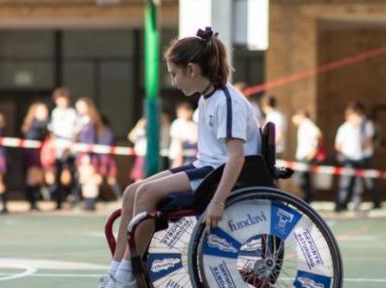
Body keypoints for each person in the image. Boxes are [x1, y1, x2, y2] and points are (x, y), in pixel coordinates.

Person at [99, 27, 262, 288]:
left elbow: (236, 157)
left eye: (174, 74)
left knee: (146, 194)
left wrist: (218, 203)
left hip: (218, 174)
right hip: (207, 167)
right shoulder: (208, 98)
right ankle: (118, 269)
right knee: (132, 191)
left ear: (192, 69)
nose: (174, 82)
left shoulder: (227, 101)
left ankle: (127, 275)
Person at [49, 87, 79, 209]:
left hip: (70, 146)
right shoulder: (55, 112)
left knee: (72, 174)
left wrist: (71, 144)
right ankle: (58, 201)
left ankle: (74, 199)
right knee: (58, 174)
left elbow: (76, 131)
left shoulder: (72, 113)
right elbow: (52, 130)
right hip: (58, 146)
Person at [21, 101, 50, 211]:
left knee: (37, 178)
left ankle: (34, 201)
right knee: (32, 178)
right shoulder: (36, 123)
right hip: (32, 153)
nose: (45, 113)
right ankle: (32, 202)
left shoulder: (40, 123)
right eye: (42, 111)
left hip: (38, 152)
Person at [291, 110, 322, 203]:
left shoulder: (306, 124)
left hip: (306, 155)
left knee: (301, 178)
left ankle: (307, 197)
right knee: (306, 178)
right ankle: (308, 198)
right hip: (303, 155)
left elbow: (318, 134)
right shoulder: (303, 125)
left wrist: (315, 150)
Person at [169, 101, 198, 167]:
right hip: (178, 155)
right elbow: (177, 140)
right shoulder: (177, 123)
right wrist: (179, 156)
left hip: (192, 155)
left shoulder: (194, 124)